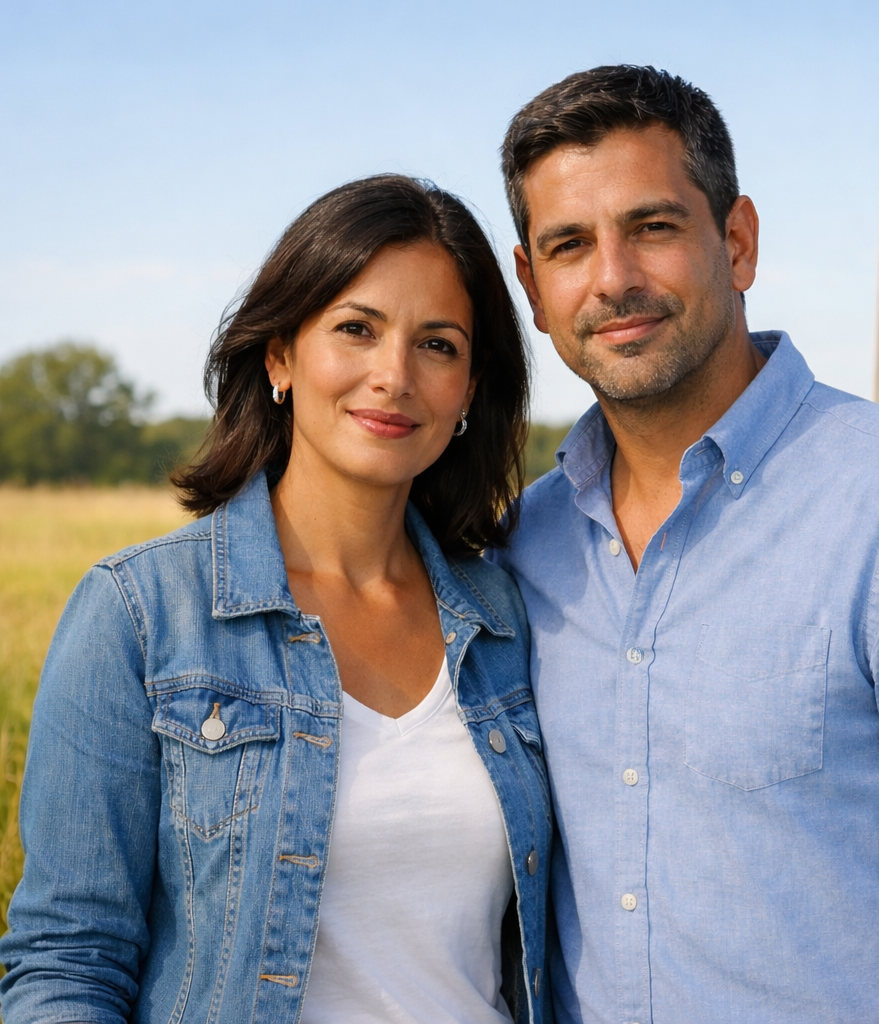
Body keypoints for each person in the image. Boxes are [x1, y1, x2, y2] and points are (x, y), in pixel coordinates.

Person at [492, 66, 879, 1023]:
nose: (613, 278)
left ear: (737, 242)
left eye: (653, 227)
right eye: (570, 245)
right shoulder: (522, 548)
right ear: (533, 288)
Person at [0, 175, 553, 1024]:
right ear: (280, 356)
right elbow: (68, 960)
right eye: (357, 329)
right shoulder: (140, 614)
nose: (394, 375)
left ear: (470, 390)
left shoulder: (507, 618)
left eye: (438, 345)